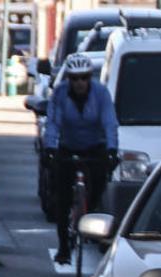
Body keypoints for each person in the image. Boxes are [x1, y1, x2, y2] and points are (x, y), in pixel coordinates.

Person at [43, 53, 118, 265]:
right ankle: (64, 248)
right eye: (74, 79)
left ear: (89, 78)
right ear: (68, 79)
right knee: (63, 198)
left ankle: (91, 216)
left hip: (95, 146)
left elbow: (109, 123)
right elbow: (53, 123)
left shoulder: (101, 94)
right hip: (68, 146)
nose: (79, 83)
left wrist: (112, 149)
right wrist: (50, 147)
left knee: (98, 184)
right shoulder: (59, 94)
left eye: (84, 78)